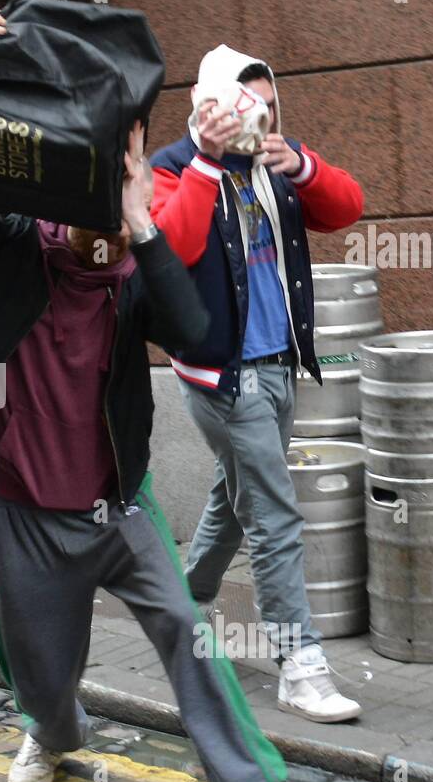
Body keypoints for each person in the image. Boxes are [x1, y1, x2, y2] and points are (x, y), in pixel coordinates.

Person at [0, 10, 320, 782]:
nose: (101, 235)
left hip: (117, 508)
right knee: (42, 668)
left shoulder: (132, 275)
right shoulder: (18, 251)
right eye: (93, 215)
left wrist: (146, 227)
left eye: (114, 214)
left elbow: (196, 329)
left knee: (187, 634)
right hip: (24, 509)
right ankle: (51, 734)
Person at [149, 46, 365, 722]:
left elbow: (347, 207)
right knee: (273, 514)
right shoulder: (173, 167)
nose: (261, 116)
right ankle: (300, 666)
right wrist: (210, 162)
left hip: (278, 365)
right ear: (212, 104)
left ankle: (184, 604)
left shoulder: (275, 161)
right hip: (221, 376)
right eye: (248, 104)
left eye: (269, 105)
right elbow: (169, 249)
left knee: (233, 491)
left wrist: (301, 164)